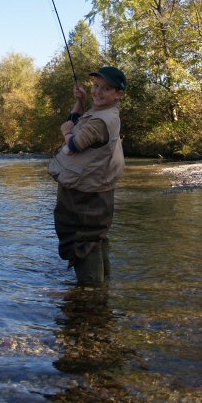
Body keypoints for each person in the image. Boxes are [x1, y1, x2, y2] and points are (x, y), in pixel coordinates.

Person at [48, 66, 126, 286]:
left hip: (84, 191)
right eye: (96, 86)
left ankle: (91, 293)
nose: (98, 92)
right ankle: (103, 288)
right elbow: (77, 120)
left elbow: (74, 143)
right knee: (95, 237)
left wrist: (65, 131)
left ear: (118, 94)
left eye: (106, 89)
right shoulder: (103, 113)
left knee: (81, 239)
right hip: (95, 188)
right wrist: (80, 102)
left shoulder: (101, 121)